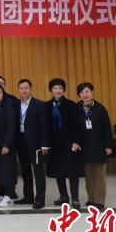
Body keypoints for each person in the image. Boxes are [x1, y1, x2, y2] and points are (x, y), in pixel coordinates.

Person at [45, 78, 83, 210]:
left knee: (73, 172)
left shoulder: (71, 105)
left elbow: (77, 125)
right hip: (54, 144)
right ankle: (64, 196)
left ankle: (75, 198)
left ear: (64, 90)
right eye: (55, 88)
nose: (58, 90)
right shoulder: (46, 106)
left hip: (69, 143)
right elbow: (45, 127)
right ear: (51, 90)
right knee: (58, 171)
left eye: (60, 88)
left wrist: (76, 141)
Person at [14, 78, 51, 209]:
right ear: (18, 90)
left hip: (36, 143)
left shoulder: (40, 105)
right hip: (20, 142)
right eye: (21, 88)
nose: (24, 90)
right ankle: (28, 196)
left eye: (26, 88)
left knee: (38, 172)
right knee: (25, 171)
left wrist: (45, 144)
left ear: (30, 89)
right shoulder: (15, 104)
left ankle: (40, 199)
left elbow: (45, 126)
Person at [76, 82, 112, 211]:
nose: (85, 94)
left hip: (99, 146)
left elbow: (107, 128)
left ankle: (99, 201)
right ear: (79, 95)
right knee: (89, 176)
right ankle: (91, 199)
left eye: (87, 91)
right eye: (82, 92)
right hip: (84, 147)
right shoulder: (77, 108)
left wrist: (108, 145)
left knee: (99, 175)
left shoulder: (100, 108)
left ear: (92, 92)